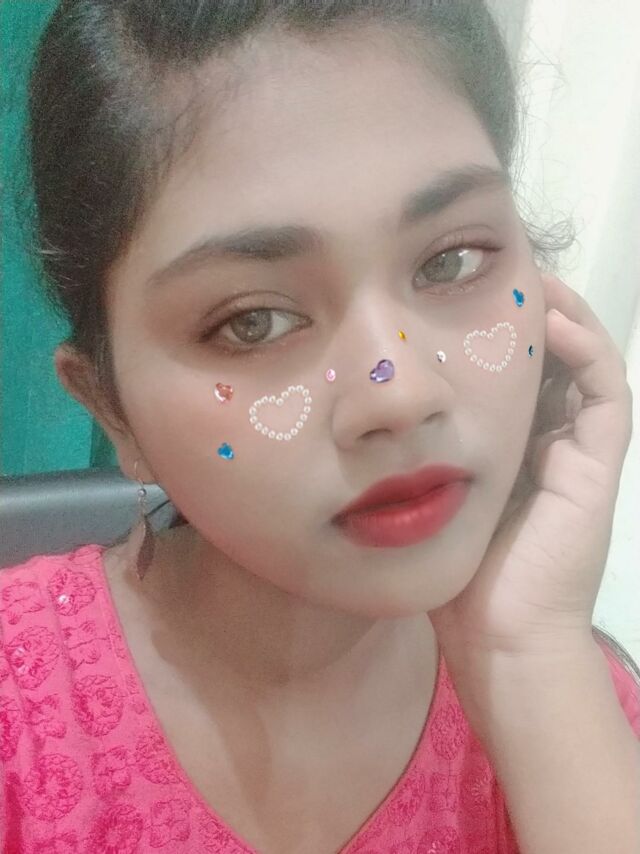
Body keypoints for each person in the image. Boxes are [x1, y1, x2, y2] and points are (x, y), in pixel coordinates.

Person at [1, 1, 639, 852]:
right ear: (111, 407)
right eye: (253, 322)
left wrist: (529, 661)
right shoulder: (18, 721)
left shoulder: (582, 714)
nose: (399, 394)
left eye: (451, 261)